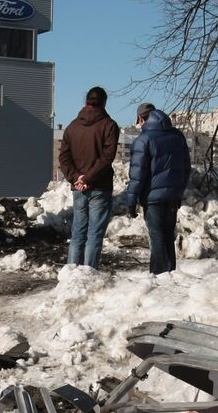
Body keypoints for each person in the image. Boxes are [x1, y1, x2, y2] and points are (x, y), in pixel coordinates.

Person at [57, 86, 121, 269]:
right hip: (99, 187)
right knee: (94, 235)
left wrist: (76, 178)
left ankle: (71, 274)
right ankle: (88, 275)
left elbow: (63, 158)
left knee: (78, 233)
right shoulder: (109, 125)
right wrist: (88, 178)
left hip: (78, 188)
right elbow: (107, 157)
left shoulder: (71, 127)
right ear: (104, 103)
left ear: (86, 101)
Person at [126, 103, 191, 274]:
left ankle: (159, 274)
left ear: (141, 118)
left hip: (152, 197)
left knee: (157, 235)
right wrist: (179, 190)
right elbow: (186, 168)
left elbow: (137, 175)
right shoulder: (178, 137)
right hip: (173, 197)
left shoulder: (143, 140)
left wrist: (131, 202)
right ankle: (169, 272)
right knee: (168, 234)